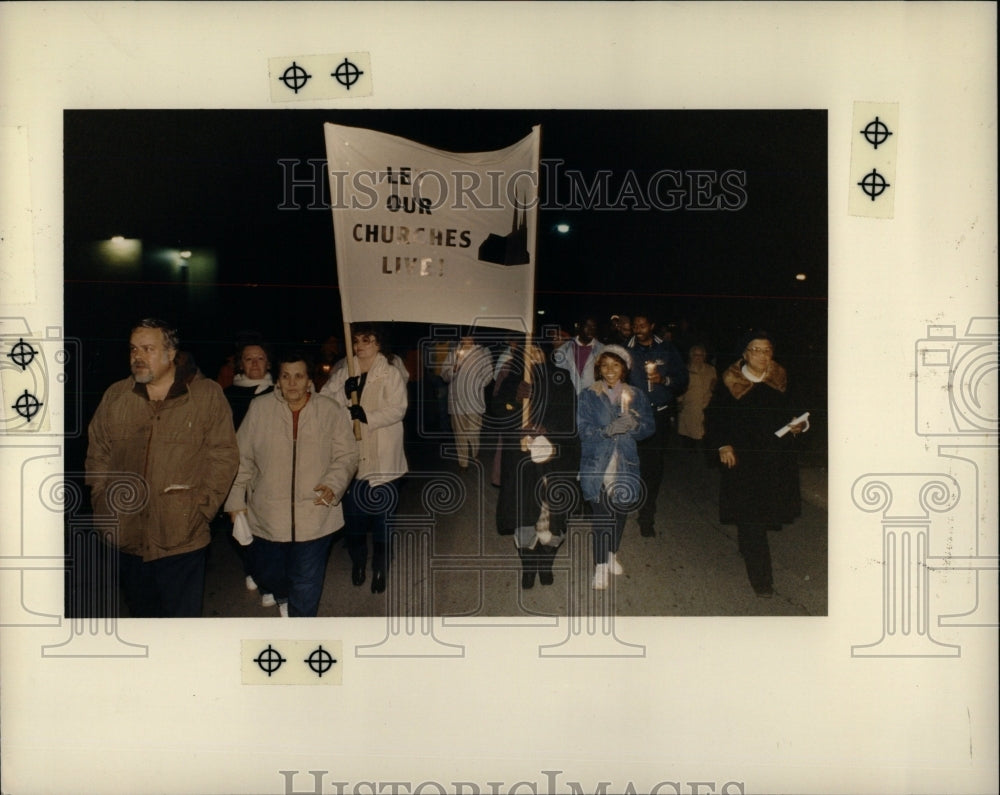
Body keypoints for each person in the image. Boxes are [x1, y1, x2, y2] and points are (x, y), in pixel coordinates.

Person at [85, 318, 239, 617]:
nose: (137, 356)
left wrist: (201, 509)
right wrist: (101, 499)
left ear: (171, 354)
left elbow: (223, 456)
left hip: (181, 536)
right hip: (126, 533)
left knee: (181, 623)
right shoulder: (117, 396)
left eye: (147, 348)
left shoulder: (205, 395)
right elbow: (98, 451)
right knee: (143, 618)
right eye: (133, 349)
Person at [225, 351, 358, 616]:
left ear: (310, 380)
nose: (292, 382)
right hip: (268, 515)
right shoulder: (261, 409)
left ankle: (300, 629)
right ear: (278, 379)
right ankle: (282, 596)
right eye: (286, 376)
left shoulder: (329, 410)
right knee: (270, 573)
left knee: (306, 580)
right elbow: (242, 458)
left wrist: (334, 483)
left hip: (316, 513)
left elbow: (347, 455)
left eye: (299, 376)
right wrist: (235, 501)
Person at [708, 331, 808, 597]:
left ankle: (748, 539)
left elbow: (801, 411)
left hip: (776, 460)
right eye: (756, 350)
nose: (762, 355)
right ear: (745, 354)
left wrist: (802, 425)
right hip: (743, 461)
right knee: (752, 518)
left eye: (767, 350)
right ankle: (762, 580)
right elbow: (715, 417)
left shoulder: (782, 379)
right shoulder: (729, 382)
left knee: (762, 516)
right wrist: (722, 444)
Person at [321, 324, 408, 594]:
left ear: (379, 343)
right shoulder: (345, 369)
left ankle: (380, 567)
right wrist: (342, 393)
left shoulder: (390, 372)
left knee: (383, 521)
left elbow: (398, 409)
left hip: (383, 462)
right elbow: (323, 401)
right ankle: (358, 562)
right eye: (356, 340)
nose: (360, 346)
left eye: (367, 340)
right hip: (352, 460)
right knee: (354, 520)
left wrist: (367, 416)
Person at [491, 338, 579, 588]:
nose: (533, 357)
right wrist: (516, 401)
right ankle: (528, 566)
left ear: (546, 353)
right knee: (524, 512)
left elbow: (570, 415)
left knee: (553, 513)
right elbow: (498, 411)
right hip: (522, 458)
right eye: (527, 353)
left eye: (537, 351)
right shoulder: (513, 379)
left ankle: (546, 562)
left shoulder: (560, 377)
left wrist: (546, 427)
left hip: (554, 456)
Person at [577, 345, 655, 590]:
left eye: (615, 365)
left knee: (620, 513)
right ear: (598, 368)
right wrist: (606, 431)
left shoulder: (637, 395)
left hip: (625, 464)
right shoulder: (588, 395)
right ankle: (600, 566)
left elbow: (649, 428)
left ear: (625, 368)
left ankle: (612, 554)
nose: (610, 370)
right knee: (601, 518)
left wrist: (635, 425)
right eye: (605, 365)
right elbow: (582, 430)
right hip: (597, 464)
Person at [222, 336, 276, 602]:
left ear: (268, 362)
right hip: (238, 471)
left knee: (267, 528)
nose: (255, 363)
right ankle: (252, 568)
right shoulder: (228, 395)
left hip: (269, 471)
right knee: (241, 525)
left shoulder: (279, 391)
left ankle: (267, 579)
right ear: (240, 364)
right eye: (248, 358)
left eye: (260, 358)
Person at [626, 312, 688, 536]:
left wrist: (664, 380)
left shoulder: (667, 348)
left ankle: (647, 516)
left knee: (653, 468)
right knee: (632, 464)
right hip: (634, 417)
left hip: (659, 416)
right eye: (635, 324)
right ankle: (627, 502)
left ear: (652, 325)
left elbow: (682, 379)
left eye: (643, 324)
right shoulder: (626, 349)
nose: (638, 327)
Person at [441, 332, 494, 469]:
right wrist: (453, 369)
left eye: (469, 337)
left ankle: (474, 455)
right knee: (459, 433)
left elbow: (489, 374)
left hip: (474, 401)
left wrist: (478, 384)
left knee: (474, 431)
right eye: (464, 337)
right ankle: (463, 462)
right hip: (457, 401)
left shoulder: (481, 353)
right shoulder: (454, 353)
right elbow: (444, 375)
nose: (466, 340)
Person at [676, 344, 716, 456]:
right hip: (690, 406)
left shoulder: (710, 369)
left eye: (701, 355)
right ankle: (689, 455)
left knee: (705, 431)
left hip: (705, 405)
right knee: (688, 431)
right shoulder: (685, 370)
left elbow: (714, 384)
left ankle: (706, 454)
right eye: (695, 355)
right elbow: (680, 388)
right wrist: (679, 401)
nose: (698, 357)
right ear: (691, 356)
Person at [552, 315, 604, 393]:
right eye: (587, 326)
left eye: (593, 327)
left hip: (593, 399)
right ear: (578, 327)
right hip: (568, 398)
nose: (591, 330)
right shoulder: (563, 349)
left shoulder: (603, 350)